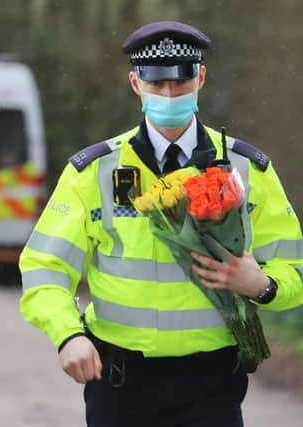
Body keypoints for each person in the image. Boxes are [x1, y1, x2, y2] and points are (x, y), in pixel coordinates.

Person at [19, 20, 303, 427]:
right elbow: (44, 266)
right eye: (157, 85)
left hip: (212, 383)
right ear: (136, 83)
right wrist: (68, 334)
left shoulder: (246, 168)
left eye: (181, 82)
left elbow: (295, 268)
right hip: (120, 382)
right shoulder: (94, 171)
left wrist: (261, 285)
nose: (169, 94)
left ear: (200, 78)